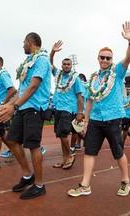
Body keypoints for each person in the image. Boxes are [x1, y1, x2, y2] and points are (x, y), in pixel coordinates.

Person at [68, 21, 130, 197]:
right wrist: (87, 121)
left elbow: (128, 58)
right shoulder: (93, 79)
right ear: (98, 58)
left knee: (118, 152)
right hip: (96, 120)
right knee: (89, 152)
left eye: (108, 58)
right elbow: (89, 100)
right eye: (102, 57)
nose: (105, 60)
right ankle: (85, 185)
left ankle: (126, 181)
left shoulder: (117, 72)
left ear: (111, 60)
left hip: (113, 119)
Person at [0, 32, 51, 199]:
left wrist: (15, 106)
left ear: (29, 42)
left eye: (23, 43)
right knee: (11, 140)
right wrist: (9, 105)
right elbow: (22, 90)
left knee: (33, 145)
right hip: (23, 107)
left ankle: (40, 185)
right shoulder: (28, 62)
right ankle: (28, 175)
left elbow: (33, 87)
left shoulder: (41, 60)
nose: (22, 46)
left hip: (35, 108)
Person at [49, 41, 83, 169]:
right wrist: (53, 52)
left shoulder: (75, 78)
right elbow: (50, 63)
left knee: (63, 134)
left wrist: (80, 112)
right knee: (60, 135)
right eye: (64, 64)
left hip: (68, 109)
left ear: (71, 65)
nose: (66, 66)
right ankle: (64, 159)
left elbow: (80, 96)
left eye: (69, 64)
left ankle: (69, 156)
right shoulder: (57, 74)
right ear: (62, 65)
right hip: (57, 107)